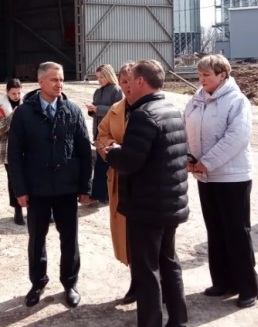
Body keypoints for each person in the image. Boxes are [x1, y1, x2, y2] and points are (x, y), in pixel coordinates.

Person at [103, 60, 189, 327]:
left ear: (141, 81)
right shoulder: (171, 109)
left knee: (146, 270)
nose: (127, 86)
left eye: (131, 81)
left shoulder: (143, 114)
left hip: (147, 206)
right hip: (170, 202)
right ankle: (178, 319)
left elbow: (130, 162)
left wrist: (112, 153)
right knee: (169, 262)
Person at [7, 61, 93, 309]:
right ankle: (38, 282)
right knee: (37, 239)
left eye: (61, 79)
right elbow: (15, 155)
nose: (59, 84)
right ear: (41, 81)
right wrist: (20, 190)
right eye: (54, 79)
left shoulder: (72, 110)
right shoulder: (24, 113)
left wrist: (85, 186)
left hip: (66, 187)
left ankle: (70, 283)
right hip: (37, 188)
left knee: (70, 238)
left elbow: (84, 151)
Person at [184, 54, 258, 309]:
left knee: (236, 231)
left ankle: (247, 287)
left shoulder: (236, 101)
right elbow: (186, 131)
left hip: (232, 177)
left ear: (222, 75)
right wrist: (189, 157)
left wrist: (208, 161)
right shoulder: (195, 101)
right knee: (215, 230)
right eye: (199, 74)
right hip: (205, 176)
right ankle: (223, 281)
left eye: (206, 75)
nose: (201, 79)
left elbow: (237, 137)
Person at [95, 62, 136, 303]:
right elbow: (101, 136)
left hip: (144, 183)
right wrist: (111, 149)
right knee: (126, 234)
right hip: (119, 179)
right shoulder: (116, 109)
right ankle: (135, 280)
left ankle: (157, 283)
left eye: (130, 81)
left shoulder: (149, 109)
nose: (126, 86)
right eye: (123, 82)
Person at [86, 64, 123, 205]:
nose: (99, 80)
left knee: (104, 166)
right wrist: (91, 110)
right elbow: (96, 112)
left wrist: (97, 109)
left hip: (110, 134)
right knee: (102, 165)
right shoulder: (97, 91)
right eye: (98, 77)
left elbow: (117, 110)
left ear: (108, 75)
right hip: (99, 132)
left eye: (102, 77)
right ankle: (103, 195)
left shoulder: (116, 90)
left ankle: (99, 195)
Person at [0, 79, 25, 224]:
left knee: (33, 178)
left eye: (18, 93)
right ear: (7, 92)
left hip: (27, 149)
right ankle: (17, 210)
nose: (16, 96)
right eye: (13, 93)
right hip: (9, 148)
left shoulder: (27, 104)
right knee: (14, 180)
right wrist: (11, 116)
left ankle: (37, 209)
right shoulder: (0, 106)